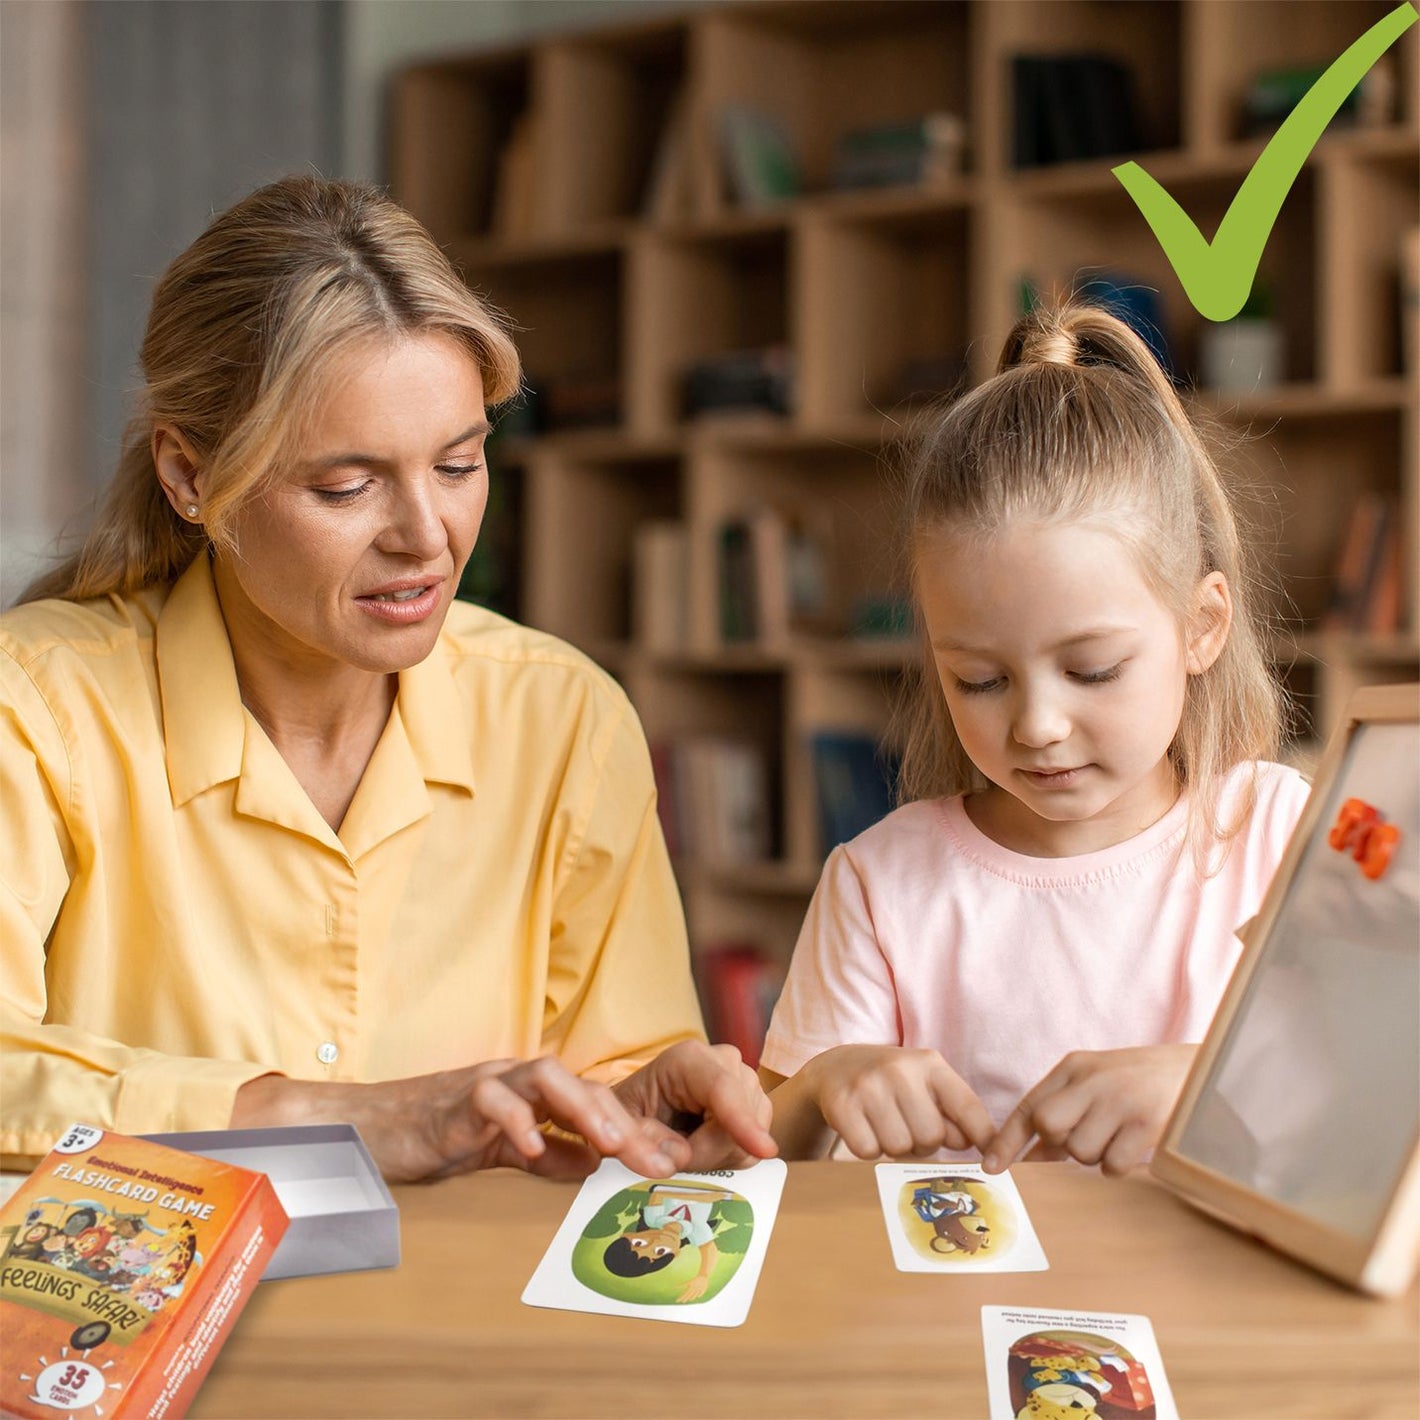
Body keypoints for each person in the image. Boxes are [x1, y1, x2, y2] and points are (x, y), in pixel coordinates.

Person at [0, 175, 775, 1183]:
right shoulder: (39, 705)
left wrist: (631, 1116)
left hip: (468, 1330)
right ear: (190, 476)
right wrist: (332, 1117)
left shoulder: (564, 722)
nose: (426, 538)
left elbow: (616, 1103)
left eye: (458, 465)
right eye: (346, 485)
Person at [759, 300, 1311, 1175]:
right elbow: (764, 1150)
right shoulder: (881, 882)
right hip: (951, 1309)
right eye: (979, 680)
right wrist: (826, 1083)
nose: (1038, 726)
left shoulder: (1282, 837)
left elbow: (1375, 1106)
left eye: (1091, 670)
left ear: (1202, 626)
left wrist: (1213, 1088)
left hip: (1214, 1313)